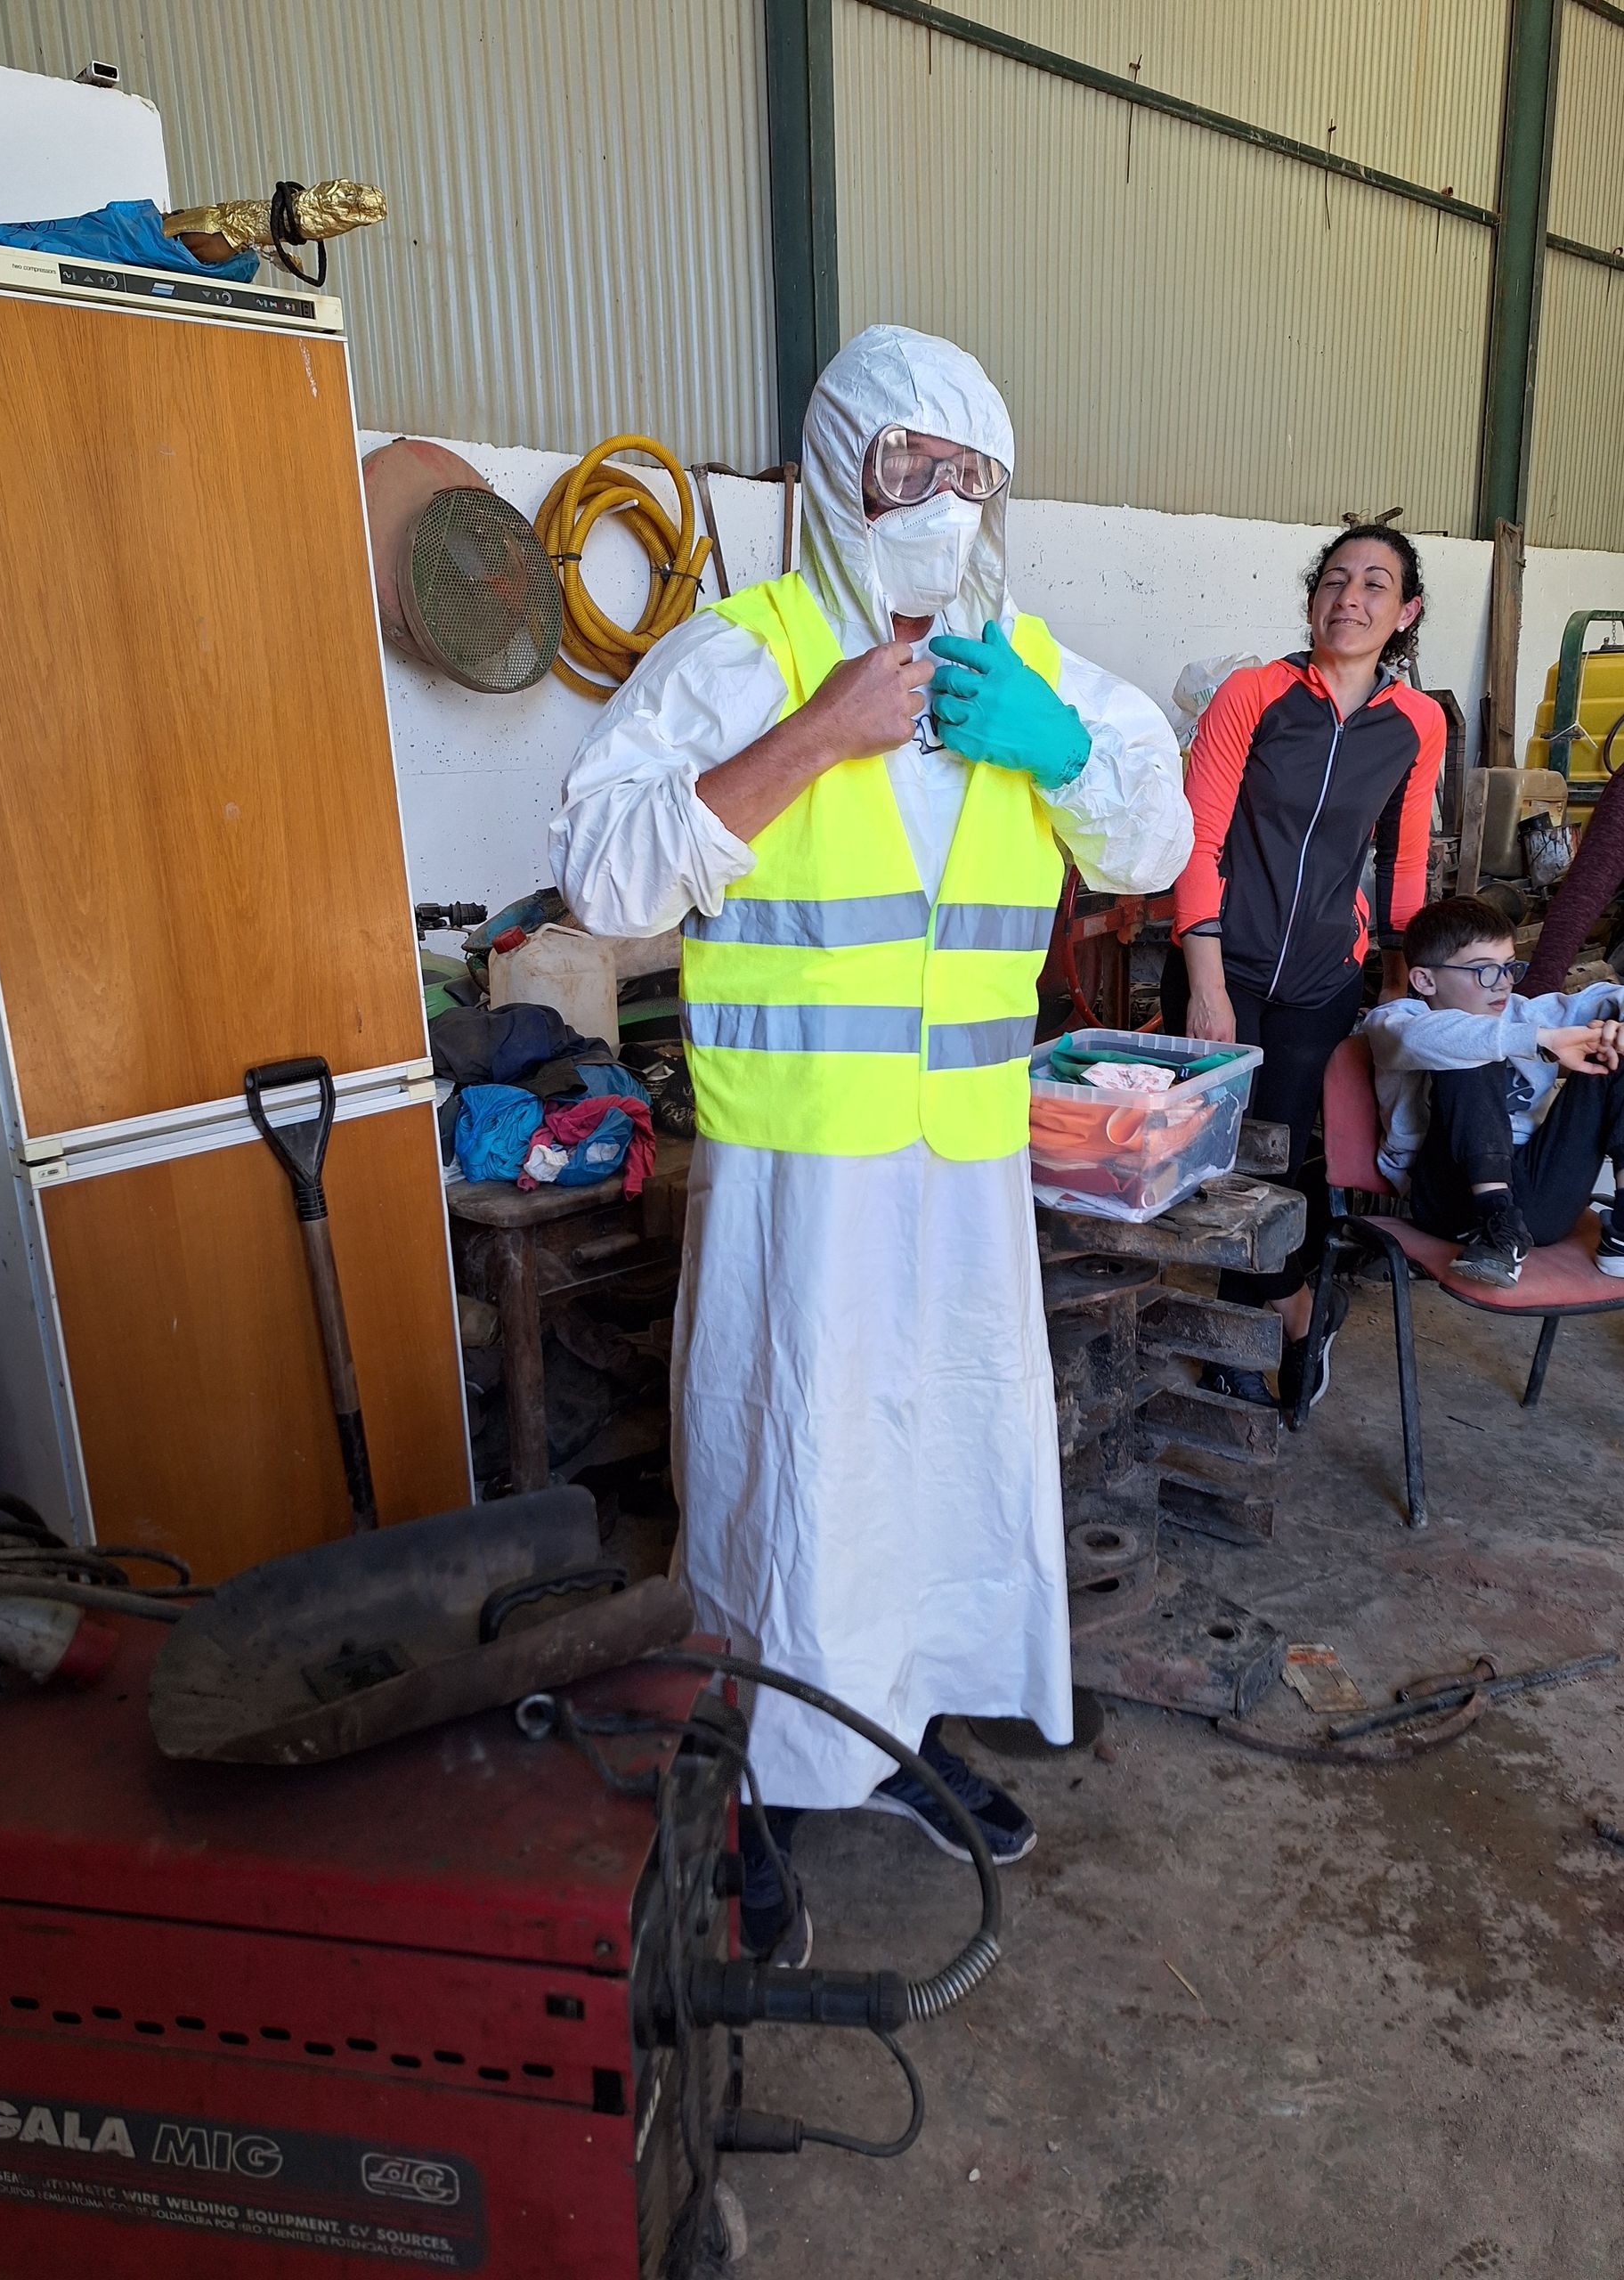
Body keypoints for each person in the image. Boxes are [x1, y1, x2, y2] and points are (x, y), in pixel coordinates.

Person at [551, 324, 1191, 1958]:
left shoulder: (1024, 666)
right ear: (841, 475)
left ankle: (896, 1737)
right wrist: (811, 741)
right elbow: (606, 877)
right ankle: (750, 1777)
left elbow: (1154, 824)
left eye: (970, 476)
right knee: (785, 1468)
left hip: (960, 1181)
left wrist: (1057, 745)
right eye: (911, 469)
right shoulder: (744, 652)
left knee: (939, 1465)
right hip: (800, 1184)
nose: (941, 504)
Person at [1165, 523, 1448, 1413]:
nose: (1350, 597)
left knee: (1281, 1165)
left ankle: (1245, 1341)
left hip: (1325, 977)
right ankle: (1290, 1314)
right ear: (1313, 595)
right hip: (1225, 965)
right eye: (1336, 578)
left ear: (1404, 613)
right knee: (1215, 1168)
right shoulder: (1252, 695)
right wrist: (1206, 984)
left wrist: (1405, 987)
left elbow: (1404, 863)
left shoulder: (1416, 723)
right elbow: (1198, 840)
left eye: (1375, 584)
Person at [1362, 895, 1624, 1283]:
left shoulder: (1525, 1012)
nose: (1501, 983)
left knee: (1614, 1049)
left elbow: (1608, 997)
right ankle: (1496, 1223)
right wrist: (1541, 1039)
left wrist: (1616, 1028)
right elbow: (1425, 1038)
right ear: (1424, 980)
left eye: (1507, 968)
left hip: (1538, 1201)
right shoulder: (1398, 1020)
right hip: (1450, 1201)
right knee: (1464, 1042)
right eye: (1483, 970)